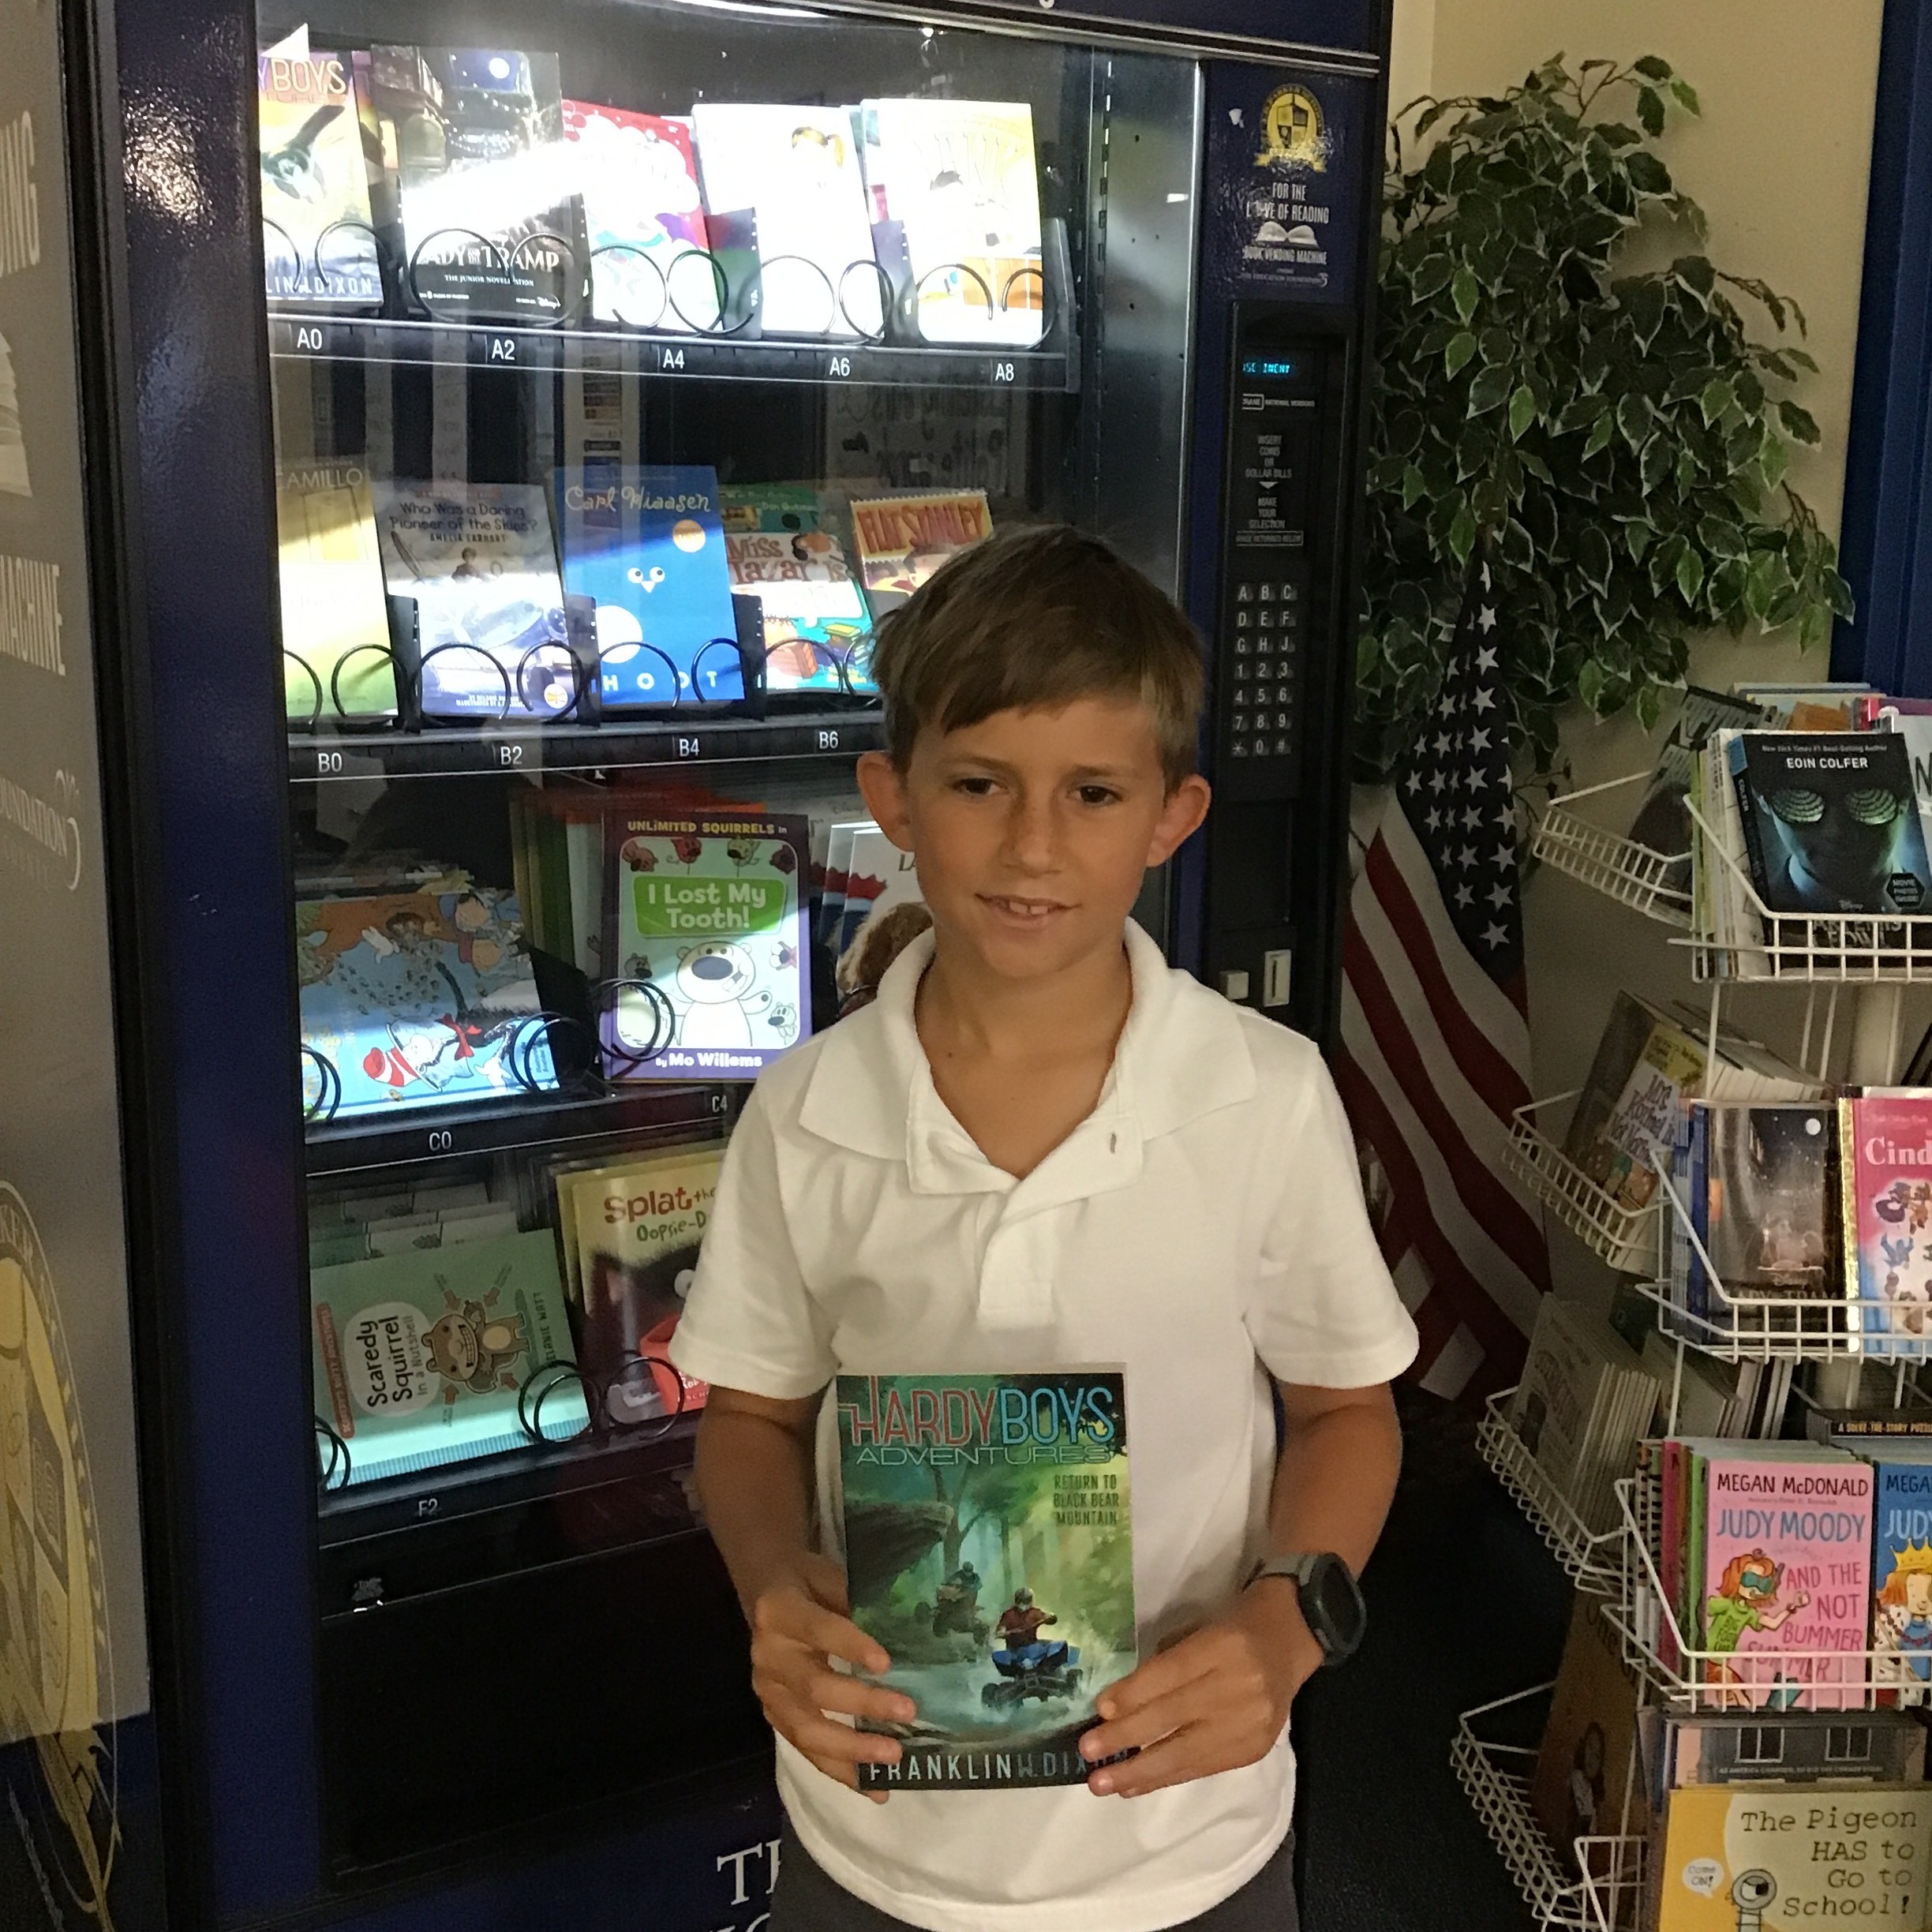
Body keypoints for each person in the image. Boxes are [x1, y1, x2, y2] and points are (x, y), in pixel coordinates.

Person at [671, 524, 1418, 1932]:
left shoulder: (1261, 1097)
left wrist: (1285, 1621)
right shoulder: (808, 1112)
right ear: (892, 798)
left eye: (1090, 792)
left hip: (1185, 1851)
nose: (1031, 846)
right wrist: (775, 1593)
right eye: (978, 785)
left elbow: (1347, 1412)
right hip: (877, 1843)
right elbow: (752, 1421)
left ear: (1170, 816)